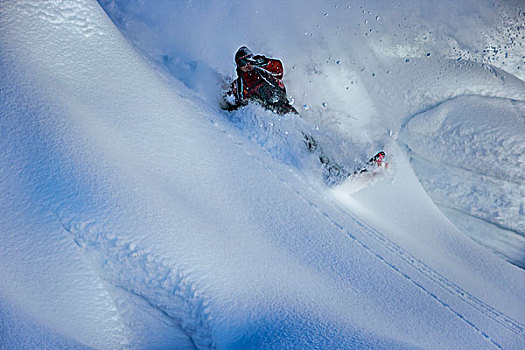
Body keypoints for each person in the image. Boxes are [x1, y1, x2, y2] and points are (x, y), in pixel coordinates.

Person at [222, 46, 297, 115]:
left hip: (282, 107)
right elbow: (229, 100)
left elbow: (278, 71)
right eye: (242, 63)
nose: (246, 65)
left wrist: (265, 62)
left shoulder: (263, 72)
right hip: (265, 115)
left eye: (248, 60)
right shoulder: (239, 84)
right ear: (238, 66)